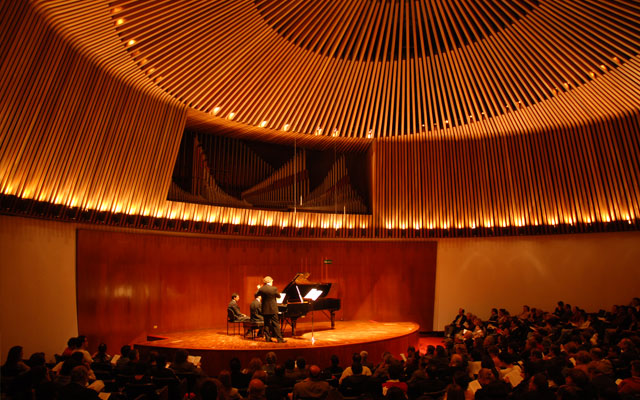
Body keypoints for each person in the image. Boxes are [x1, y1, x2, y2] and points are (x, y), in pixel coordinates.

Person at [256, 276, 286, 343]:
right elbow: (279, 296)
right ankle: (279, 339)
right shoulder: (274, 288)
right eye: (272, 281)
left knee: (266, 324)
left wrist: (259, 289)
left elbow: (256, 294)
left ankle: (268, 339)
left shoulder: (262, 289)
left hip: (265, 309)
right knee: (276, 324)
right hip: (273, 309)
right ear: (270, 281)